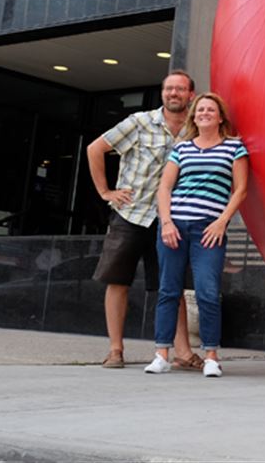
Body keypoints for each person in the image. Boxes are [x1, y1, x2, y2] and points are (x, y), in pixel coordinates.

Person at [87, 70, 203, 371]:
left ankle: (182, 352)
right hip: (131, 214)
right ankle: (115, 350)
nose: (173, 94)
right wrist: (105, 191)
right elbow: (95, 148)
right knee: (118, 281)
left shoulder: (195, 129)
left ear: (190, 94)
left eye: (180, 89)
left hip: (171, 219)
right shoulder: (139, 122)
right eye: (168, 89)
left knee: (171, 285)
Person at [145, 92, 249, 377]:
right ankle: (161, 354)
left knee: (207, 292)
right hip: (174, 227)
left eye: (210, 110)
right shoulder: (182, 149)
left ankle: (211, 356)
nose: (204, 113)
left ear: (220, 117)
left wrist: (222, 222)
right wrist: (166, 223)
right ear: (194, 116)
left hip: (208, 230)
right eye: (200, 109)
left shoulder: (234, 148)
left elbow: (240, 190)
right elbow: (164, 188)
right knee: (168, 290)